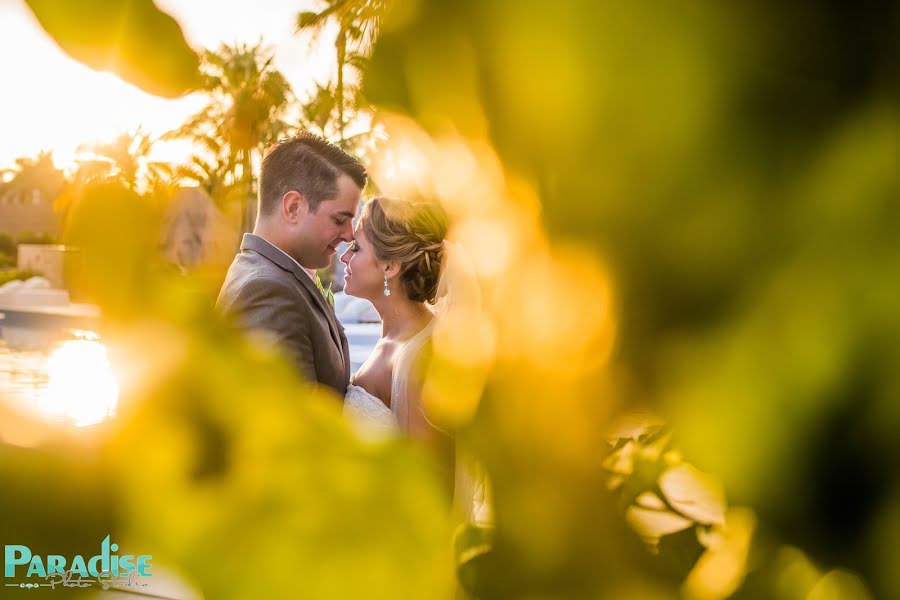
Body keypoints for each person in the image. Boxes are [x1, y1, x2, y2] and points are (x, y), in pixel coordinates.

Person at [216, 132, 366, 396]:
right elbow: (291, 430)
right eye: (340, 219)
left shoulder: (272, 275)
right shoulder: (267, 291)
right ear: (294, 207)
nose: (349, 235)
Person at [340, 197, 459, 494]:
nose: (344, 257)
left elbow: (429, 488)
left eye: (356, 248)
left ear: (390, 266)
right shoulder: (396, 339)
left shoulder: (419, 355)